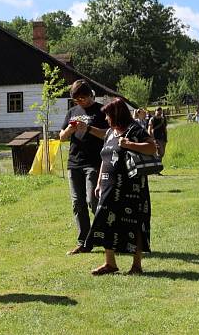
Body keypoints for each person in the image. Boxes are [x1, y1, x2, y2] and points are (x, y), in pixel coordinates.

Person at [85, 98, 158, 275]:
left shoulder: (135, 129)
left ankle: (137, 265)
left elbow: (152, 148)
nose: (106, 119)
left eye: (109, 115)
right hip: (109, 185)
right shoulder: (110, 132)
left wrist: (129, 144)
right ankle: (110, 263)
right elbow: (105, 157)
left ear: (117, 114)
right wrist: (100, 182)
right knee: (105, 220)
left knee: (134, 223)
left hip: (132, 187)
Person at [59, 80, 109, 255]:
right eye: (77, 99)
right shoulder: (72, 112)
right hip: (74, 163)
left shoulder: (102, 111)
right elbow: (62, 136)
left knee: (92, 200)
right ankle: (84, 242)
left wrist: (88, 128)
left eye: (83, 98)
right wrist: (70, 131)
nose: (80, 102)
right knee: (77, 203)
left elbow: (107, 135)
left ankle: (107, 235)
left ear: (90, 95)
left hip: (94, 163)